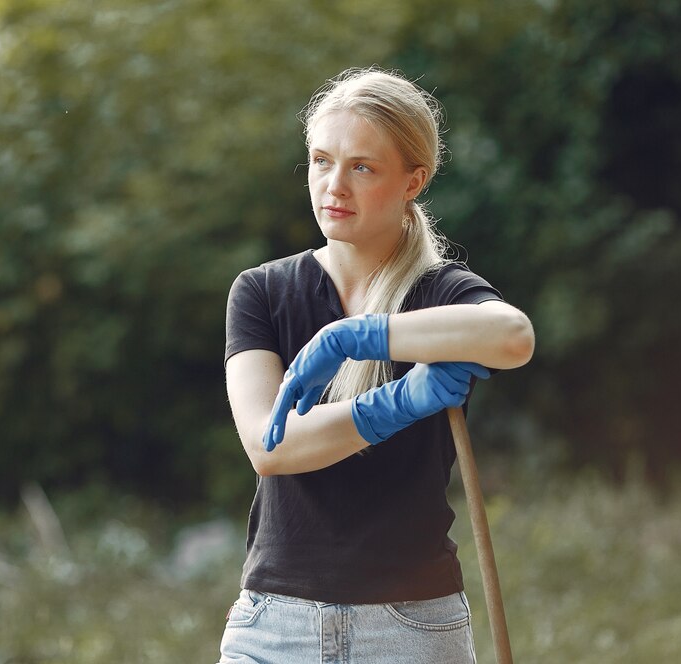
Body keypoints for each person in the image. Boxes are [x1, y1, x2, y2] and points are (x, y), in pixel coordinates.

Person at [217, 67, 535, 663]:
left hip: (412, 629)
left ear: (413, 181)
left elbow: (514, 337)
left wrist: (356, 338)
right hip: (273, 625)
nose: (334, 185)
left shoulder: (440, 293)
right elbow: (270, 447)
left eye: (362, 167)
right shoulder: (261, 291)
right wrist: (397, 402)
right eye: (320, 161)